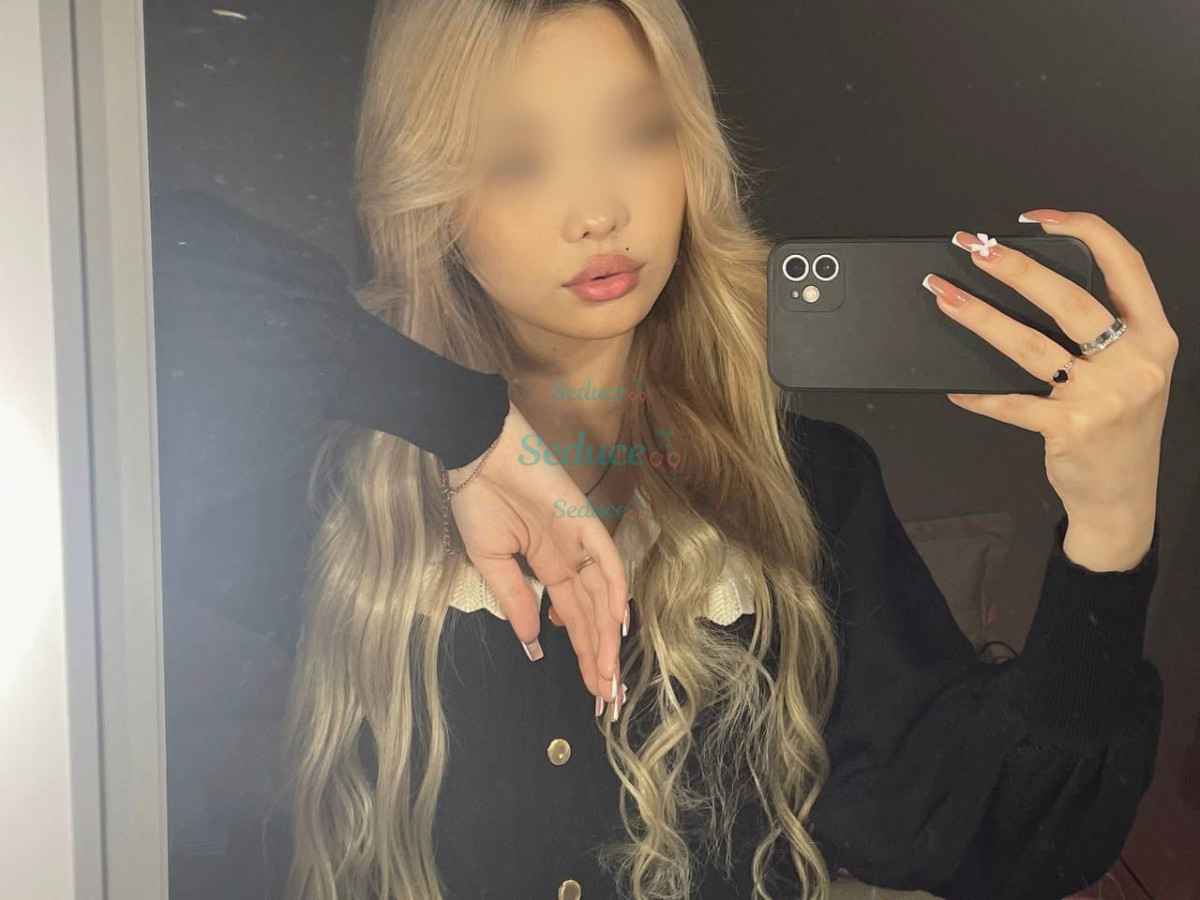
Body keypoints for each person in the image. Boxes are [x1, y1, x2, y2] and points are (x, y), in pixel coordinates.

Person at [150, 1, 1178, 898]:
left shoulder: (807, 489)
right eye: (519, 158)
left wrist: (1112, 523)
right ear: (431, 201)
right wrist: (457, 422)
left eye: (641, 132)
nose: (601, 210)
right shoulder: (332, 485)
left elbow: (1007, 837)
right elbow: (125, 262)